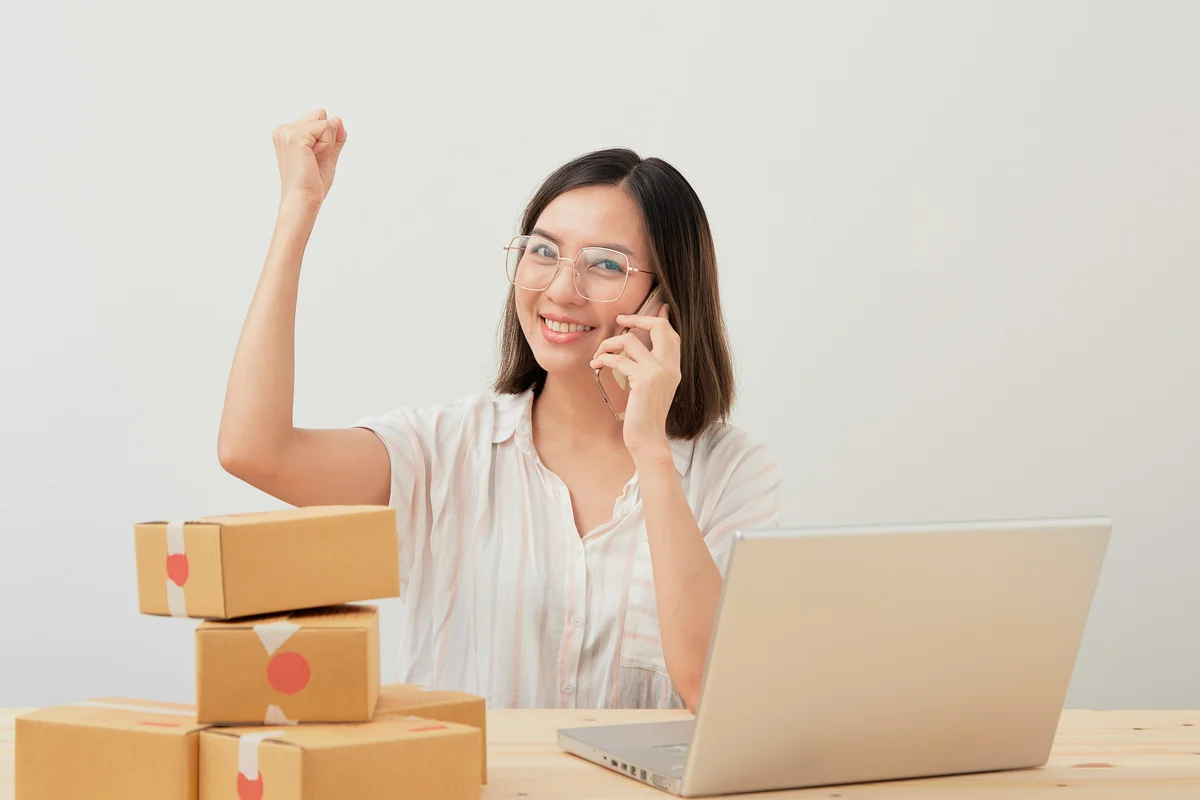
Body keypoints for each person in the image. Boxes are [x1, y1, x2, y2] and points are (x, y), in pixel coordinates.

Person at [218, 109, 781, 711]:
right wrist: (296, 212)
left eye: (607, 264)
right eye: (544, 252)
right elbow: (255, 450)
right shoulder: (448, 450)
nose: (561, 289)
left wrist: (650, 449)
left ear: (666, 298)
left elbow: (713, 693)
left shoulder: (730, 473)